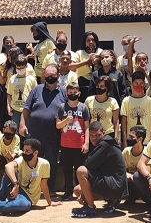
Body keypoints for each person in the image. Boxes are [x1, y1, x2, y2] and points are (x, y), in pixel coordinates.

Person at [0, 138, 60, 215]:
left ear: (35, 153)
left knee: (22, 206)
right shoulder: (22, 159)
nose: (24, 153)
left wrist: (49, 202)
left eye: (27, 151)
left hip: (29, 197)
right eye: (24, 150)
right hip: (16, 188)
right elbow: (8, 166)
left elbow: (44, 185)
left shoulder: (44, 164)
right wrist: (16, 184)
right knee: (10, 171)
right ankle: (1, 201)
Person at [20, 63, 66, 194]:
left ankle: (49, 189)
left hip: (54, 134)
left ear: (58, 75)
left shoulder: (63, 91)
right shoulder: (36, 89)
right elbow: (26, 109)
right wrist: (22, 124)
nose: (50, 77)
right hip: (35, 133)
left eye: (52, 75)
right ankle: (31, 189)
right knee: (33, 161)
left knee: (51, 162)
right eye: (47, 75)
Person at [71, 121, 128, 217]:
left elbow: (88, 164)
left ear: (104, 133)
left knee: (81, 171)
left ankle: (90, 207)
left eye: (97, 135)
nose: (94, 138)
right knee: (77, 190)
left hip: (114, 185)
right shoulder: (106, 143)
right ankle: (111, 200)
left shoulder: (105, 144)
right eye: (92, 135)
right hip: (115, 185)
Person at [56, 82, 91, 201]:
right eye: (70, 92)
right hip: (65, 144)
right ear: (66, 93)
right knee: (66, 169)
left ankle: (80, 191)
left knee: (79, 169)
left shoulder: (83, 107)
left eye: (75, 92)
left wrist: (86, 143)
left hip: (79, 144)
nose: (72, 94)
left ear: (79, 93)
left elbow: (87, 127)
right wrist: (66, 120)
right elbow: (58, 125)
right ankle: (68, 190)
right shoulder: (62, 107)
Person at [120, 71, 151, 144]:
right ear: (131, 84)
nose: (138, 86)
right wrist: (124, 140)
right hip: (131, 139)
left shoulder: (149, 100)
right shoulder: (126, 101)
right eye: (136, 83)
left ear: (144, 84)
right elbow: (124, 122)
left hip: (146, 140)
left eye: (141, 83)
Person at [0, 120, 21, 196]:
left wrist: (11, 156)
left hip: (13, 158)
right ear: (3, 130)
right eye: (6, 133)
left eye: (10, 133)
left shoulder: (16, 138)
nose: (8, 135)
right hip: (2, 158)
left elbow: (15, 153)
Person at [7, 54, 37, 133]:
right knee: (16, 133)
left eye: (22, 68)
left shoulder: (31, 79)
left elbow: (36, 95)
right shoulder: (12, 79)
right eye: (18, 68)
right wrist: (9, 107)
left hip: (28, 110)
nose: (20, 70)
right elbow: (9, 94)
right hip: (15, 110)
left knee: (28, 133)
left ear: (26, 66)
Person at [85, 76, 120, 143]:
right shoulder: (89, 100)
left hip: (108, 134)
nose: (99, 88)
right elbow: (86, 120)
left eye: (102, 86)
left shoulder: (113, 102)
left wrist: (116, 136)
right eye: (97, 86)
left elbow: (116, 121)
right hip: (93, 135)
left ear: (107, 88)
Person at [122, 125, 147, 204]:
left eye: (131, 137)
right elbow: (120, 170)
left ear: (140, 139)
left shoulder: (147, 152)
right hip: (130, 182)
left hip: (142, 183)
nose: (128, 139)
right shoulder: (126, 151)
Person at [73, 31, 102, 100]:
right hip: (83, 83)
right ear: (85, 42)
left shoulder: (101, 52)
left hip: (98, 82)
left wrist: (98, 57)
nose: (91, 42)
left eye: (93, 40)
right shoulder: (79, 53)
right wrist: (86, 62)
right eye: (88, 40)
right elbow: (71, 66)